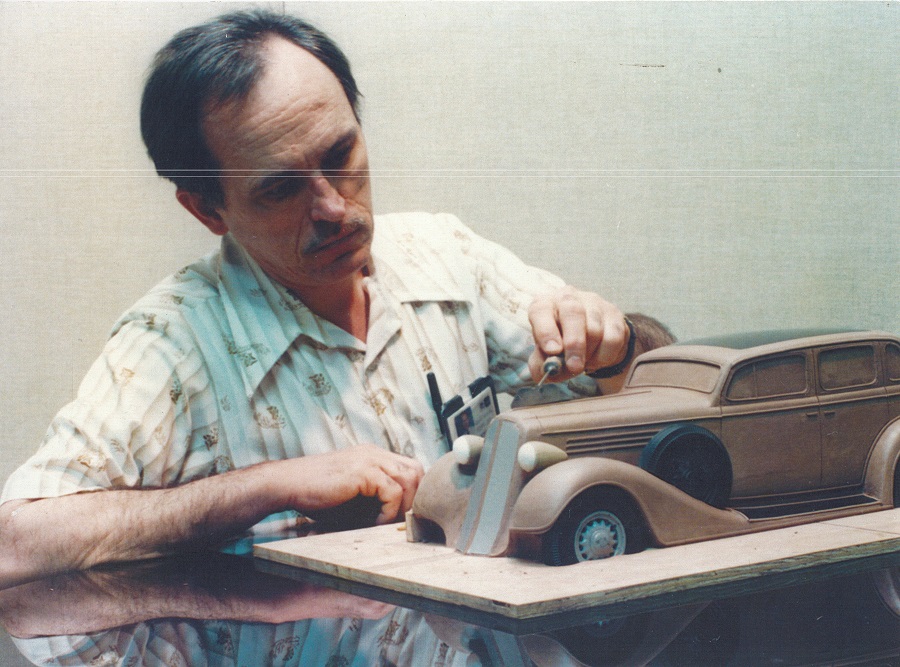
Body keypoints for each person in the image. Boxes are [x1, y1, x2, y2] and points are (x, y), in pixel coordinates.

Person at [0, 10, 655, 588]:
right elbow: (15, 542)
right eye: (281, 189)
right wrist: (267, 487)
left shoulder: (446, 255)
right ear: (208, 209)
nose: (335, 209)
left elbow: (648, 393)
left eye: (340, 153)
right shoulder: (174, 341)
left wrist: (617, 344)